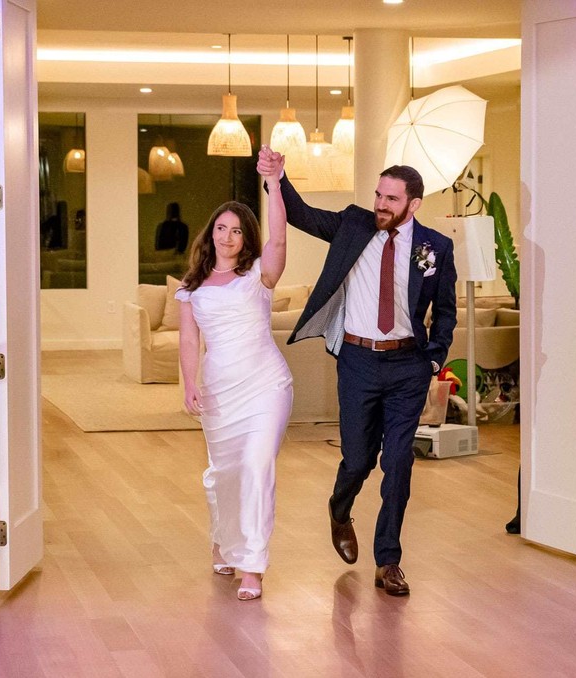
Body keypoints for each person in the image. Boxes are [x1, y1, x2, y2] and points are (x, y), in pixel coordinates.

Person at [257, 149, 457, 596]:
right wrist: (277, 177)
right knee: (359, 459)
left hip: (408, 365)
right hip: (358, 361)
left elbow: (445, 312)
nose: (381, 205)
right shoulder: (353, 224)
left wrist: (433, 359)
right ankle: (340, 507)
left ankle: (388, 561)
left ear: (414, 204)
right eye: (378, 195)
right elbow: (302, 215)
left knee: (399, 462)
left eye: (391, 198)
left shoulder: (435, 248)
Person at [175, 147, 292, 601]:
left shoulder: (261, 275)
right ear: (211, 234)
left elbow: (279, 241)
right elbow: (190, 342)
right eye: (221, 228)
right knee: (224, 472)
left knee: (256, 465)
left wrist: (275, 184)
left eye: (237, 230)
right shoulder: (191, 289)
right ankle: (223, 541)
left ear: (248, 238)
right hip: (219, 390)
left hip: (266, 384)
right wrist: (189, 384)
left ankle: (252, 567)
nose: (227, 236)